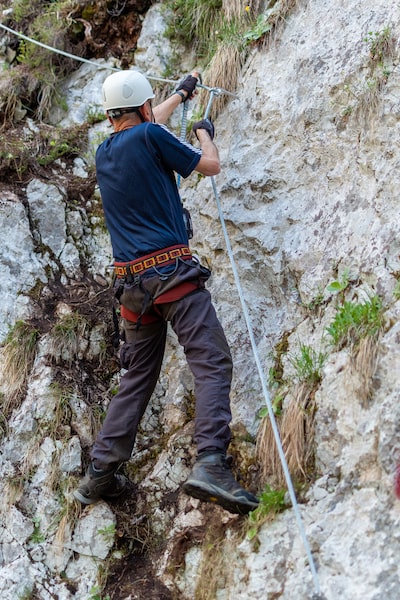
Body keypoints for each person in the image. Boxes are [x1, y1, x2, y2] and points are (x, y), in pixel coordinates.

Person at [73, 69, 259, 515]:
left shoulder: (105, 152)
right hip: (171, 276)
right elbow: (209, 165)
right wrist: (203, 134)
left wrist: (178, 95)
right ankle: (211, 461)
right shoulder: (152, 135)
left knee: (137, 378)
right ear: (140, 108)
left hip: (132, 289)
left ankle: (99, 473)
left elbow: (144, 122)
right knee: (211, 359)